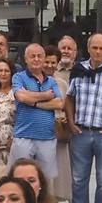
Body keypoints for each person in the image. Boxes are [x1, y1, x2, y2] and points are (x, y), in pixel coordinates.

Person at [10, 43, 64, 186]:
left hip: (47, 137)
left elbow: (59, 103)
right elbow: (21, 97)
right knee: (20, 179)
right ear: (25, 59)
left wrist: (34, 103)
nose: (36, 59)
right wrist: (45, 95)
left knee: (46, 181)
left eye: (39, 56)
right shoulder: (18, 77)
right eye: (32, 56)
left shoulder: (51, 81)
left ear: (44, 58)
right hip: (23, 136)